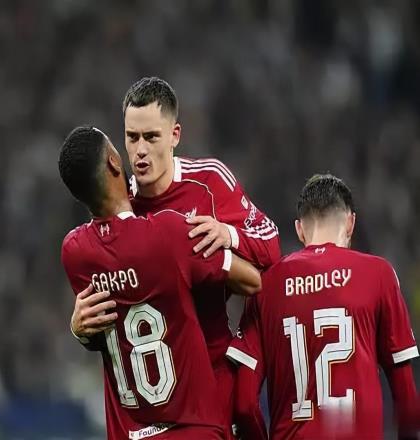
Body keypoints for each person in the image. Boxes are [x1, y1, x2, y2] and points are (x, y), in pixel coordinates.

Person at [70, 77, 280, 438]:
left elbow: (271, 247)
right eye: (132, 137)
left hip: (213, 376)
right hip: (154, 400)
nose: (140, 150)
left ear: (175, 135)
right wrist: (80, 330)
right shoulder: (118, 207)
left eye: (151, 137)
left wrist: (229, 234)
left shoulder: (208, 182)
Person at [227, 174, 419, 439]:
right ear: (350, 223)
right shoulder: (379, 275)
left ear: (299, 229)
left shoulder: (266, 284)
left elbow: (245, 404)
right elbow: (406, 397)